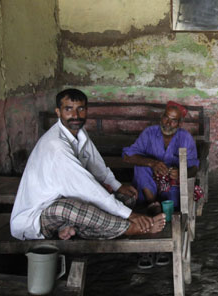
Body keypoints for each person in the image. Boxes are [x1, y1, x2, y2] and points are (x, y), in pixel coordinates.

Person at [10, 89, 165, 241]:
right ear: (58, 112)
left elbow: (95, 164)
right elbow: (88, 188)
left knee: (127, 197)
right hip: (40, 215)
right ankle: (128, 228)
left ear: (86, 110)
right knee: (67, 208)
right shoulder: (56, 146)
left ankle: (72, 228)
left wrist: (117, 186)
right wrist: (131, 215)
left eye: (81, 109)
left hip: (69, 203)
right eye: (68, 109)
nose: (75, 115)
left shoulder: (79, 132)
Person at [122, 101, 199, 213]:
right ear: (161, 117)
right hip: (147, 185)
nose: (168, 123)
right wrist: (152, 163)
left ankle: (162, 208)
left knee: (173, 203)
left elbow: (194, 167)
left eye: (173, 120)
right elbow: (127, 156)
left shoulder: (186, 138)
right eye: (166, 118)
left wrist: (182, 173)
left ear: (180, 123)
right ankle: (152, 203)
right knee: (141, 166)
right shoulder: (149, 133)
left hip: (171, 185)